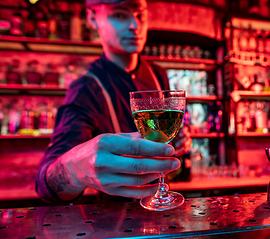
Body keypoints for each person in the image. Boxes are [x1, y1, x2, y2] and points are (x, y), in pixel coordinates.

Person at [35, 0, 192, 203]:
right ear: (92, 18)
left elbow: (163, 129)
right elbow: (45, 184)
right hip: (117, 220)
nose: (134, 26)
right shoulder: (86, 88)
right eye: (119, 15)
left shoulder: (158, 74)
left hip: (164, 206)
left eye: (140, 15)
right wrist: (74, 169)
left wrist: (179, 140)